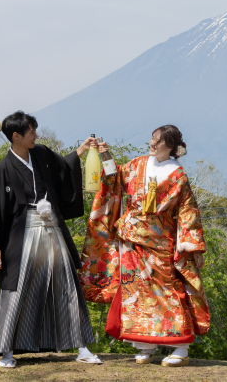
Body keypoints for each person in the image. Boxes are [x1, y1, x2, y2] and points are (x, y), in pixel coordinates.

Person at [0, 111, 101, 368]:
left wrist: (83, 149)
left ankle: (82, 346)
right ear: (16, 136)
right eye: (31, 131)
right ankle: (7, 350)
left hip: (51, 226)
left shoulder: (41, 154)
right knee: (18, 288)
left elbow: (64, 168)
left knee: (66, 283)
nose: (36, 134)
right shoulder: (3, 169)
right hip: (22, 234)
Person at [79, 124, 209, 366]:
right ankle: (145, 346)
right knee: (136, 292)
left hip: (161, 241)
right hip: (131, 240)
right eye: (152, 138)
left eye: (158, 140)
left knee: (169, 291)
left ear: (170, 146)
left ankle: (181, 346)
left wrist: (193, 247)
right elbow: (114, 177)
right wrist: (106, 155)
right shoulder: (138, 164)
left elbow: (188, 213)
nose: (152, 143)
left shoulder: (178, 176)